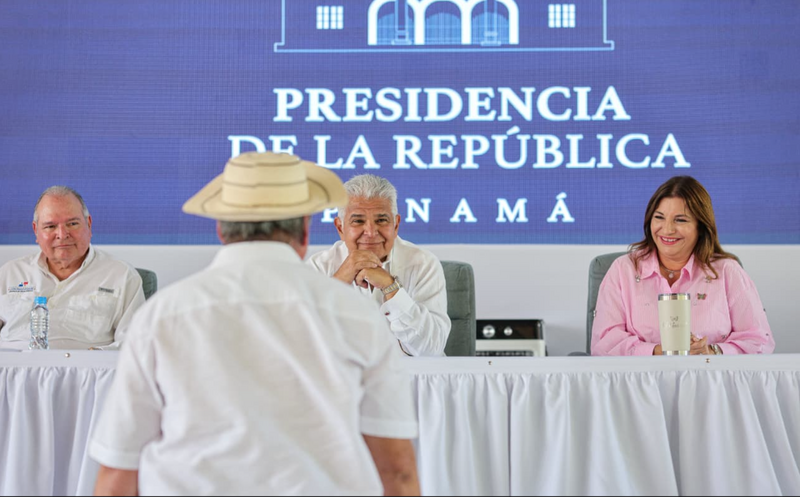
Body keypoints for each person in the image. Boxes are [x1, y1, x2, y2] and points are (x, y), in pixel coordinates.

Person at [89, 152, 421, 496]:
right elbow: (396, 472)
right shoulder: (357, 314)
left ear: (221, 229)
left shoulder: (162, 316)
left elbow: (117, 472)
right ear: (305, 230)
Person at [592, 176, 774, 356]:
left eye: (680, 220)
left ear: (701, 226)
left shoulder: (727, 271)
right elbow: (604, 344)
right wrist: (659, 351)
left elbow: (759, 341)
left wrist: (711, 351)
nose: (668, 229)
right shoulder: (623, 270)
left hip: (710, 380)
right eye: (659, 218)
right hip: (640, 381)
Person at [307, 174, 450, 357]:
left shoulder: (423, 264)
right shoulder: (319, 267)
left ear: (396, 225)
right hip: (344, 382)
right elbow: (303, 343)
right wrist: (339, 281)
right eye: (358, 221)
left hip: (409, 381)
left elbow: (430, 350)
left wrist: (391, 288)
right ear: (340, 228)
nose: (371, 232)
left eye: (381, 220)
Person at [0, 186, 145, 350]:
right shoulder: (9, 273)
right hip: (12, 372)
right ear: (36, 230)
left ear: (88, 224)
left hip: (88, 373)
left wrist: (90, 358)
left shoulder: (122, 276)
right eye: (50, 226)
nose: (62, 234)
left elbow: (134, 345)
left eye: (72, 223)